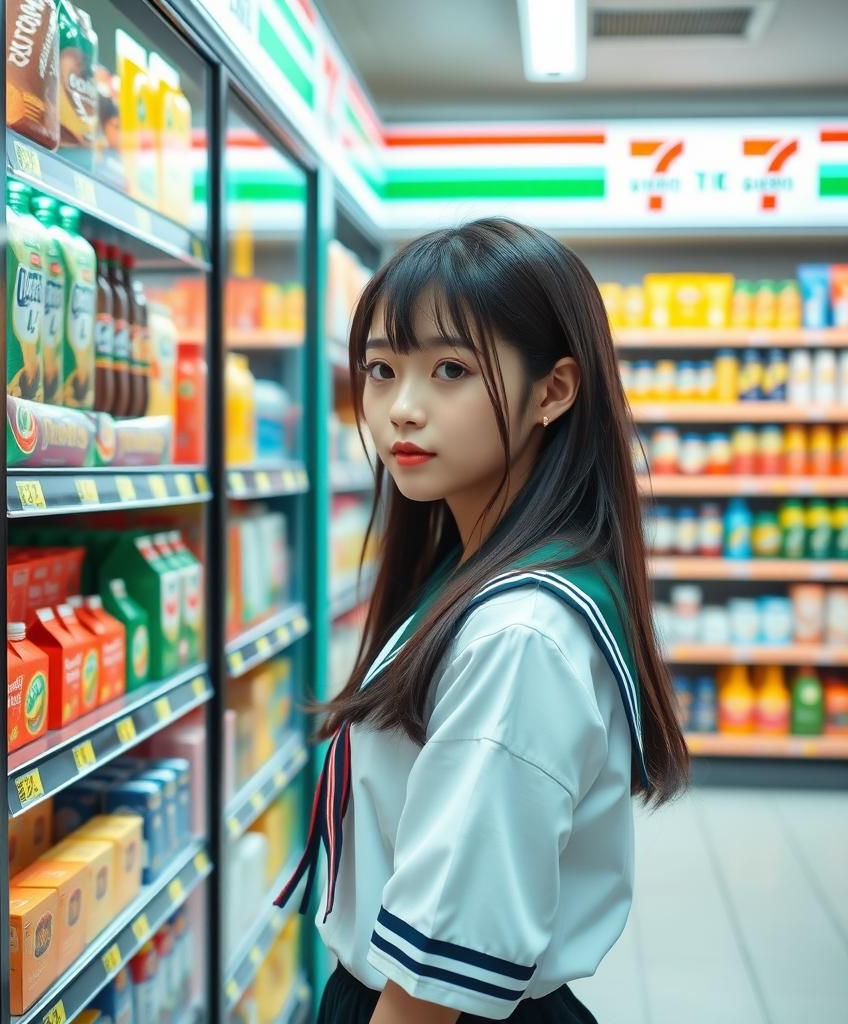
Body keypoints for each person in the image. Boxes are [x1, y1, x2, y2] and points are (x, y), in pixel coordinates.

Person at [276, 218, 689, 1022]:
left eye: (451, 370)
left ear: (555, 390)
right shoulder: (472, 570)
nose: (402, 408)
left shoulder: (519, 635)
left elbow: (434, 985)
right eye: (382, 369)